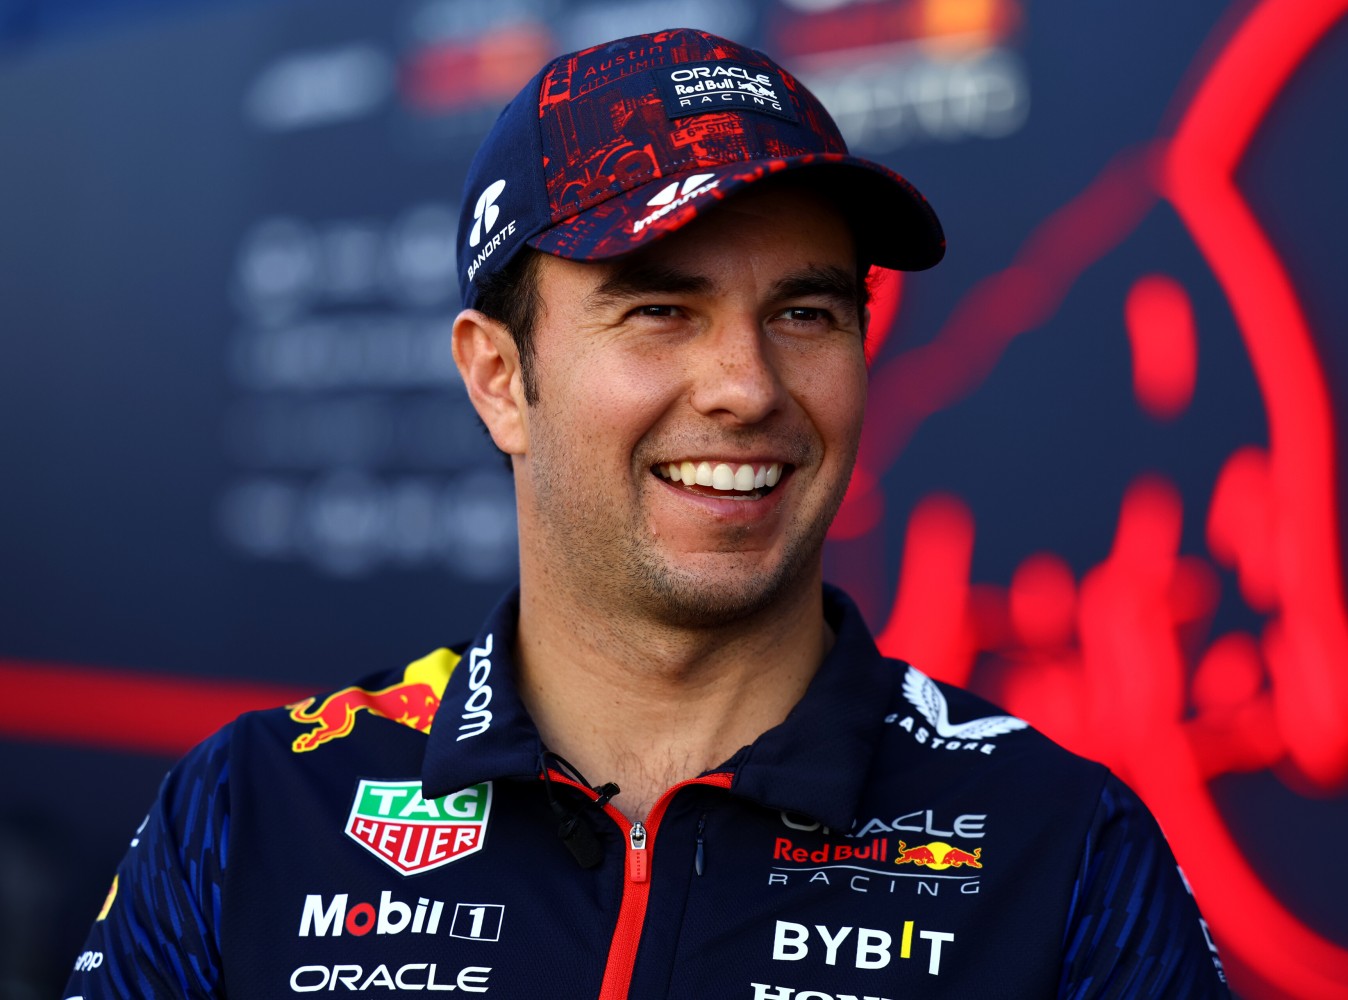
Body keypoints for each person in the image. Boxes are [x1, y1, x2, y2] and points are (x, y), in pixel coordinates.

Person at [66, 27, 1228, 999]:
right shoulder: (258, 809)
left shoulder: (1062, 847)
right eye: (660, 310)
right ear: (500, 379)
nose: (748, 386)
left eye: (807, 313)